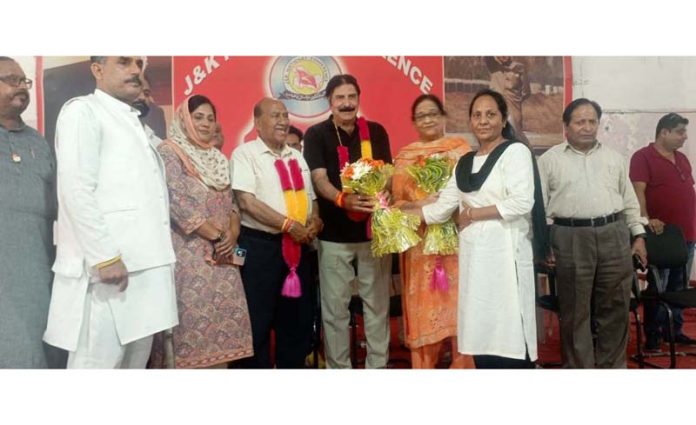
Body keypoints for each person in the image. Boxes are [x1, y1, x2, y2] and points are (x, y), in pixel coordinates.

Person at [43, 56, 178, 368]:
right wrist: (104, 256)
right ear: (97, 70)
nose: (135, 70)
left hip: (144, 270)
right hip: (109, 272)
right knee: (96, 366)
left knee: (133, 366)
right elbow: (76, 189)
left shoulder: (133, 121)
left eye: (138, 64)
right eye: (124, 62)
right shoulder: (83, 111)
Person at [403, 89, 545, 368]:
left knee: (510, 331)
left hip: (506, 255)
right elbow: (440, 209)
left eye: (491, 114)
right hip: (475, 260)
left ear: (504, 120)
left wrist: (472, 213)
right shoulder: (464, 162)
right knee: (481, 330)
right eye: (477, 115)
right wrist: (400, 212)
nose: (483, 121)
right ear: (469, 121)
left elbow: (521, 203)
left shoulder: (515, 152)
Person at [538, 98, 648, 368]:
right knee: (576, 312)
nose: (587, 127)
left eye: (592, 121)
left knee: (615, 308)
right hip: (569, 237)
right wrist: (542, 245)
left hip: (614, 235)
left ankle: (611, 368)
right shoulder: (549, 160)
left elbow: (630, 201)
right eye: (580, 121)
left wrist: (639, 236)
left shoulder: (614, 159)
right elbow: (538, 208)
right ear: (566, 126)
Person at [149, 95, 254, 368]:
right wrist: (217, 236)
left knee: (225, 339)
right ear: (184, 119)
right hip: (190, 258)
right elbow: (177, 202)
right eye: (198, 117)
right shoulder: (169, 152)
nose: (206, 124)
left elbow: (231, 203)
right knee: (190, 336)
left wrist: (231, 233)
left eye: (210, 118)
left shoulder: (217, 157)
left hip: (225, 257)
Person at [303, 74, 393, 368]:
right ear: (329, 101)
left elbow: (388, 175)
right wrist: (342, 199)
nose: (346, 103)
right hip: (334, 237)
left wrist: (383, 195)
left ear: (358, 99)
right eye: (340, 98)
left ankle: (377, 368)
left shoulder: (376, 132)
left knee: (377, 308)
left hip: (373, 236)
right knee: (335, 311)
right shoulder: (317, 134)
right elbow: (318, 179)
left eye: (351, 97)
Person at [231, 97, 322, 368]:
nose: (283, 121)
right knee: (256, 324)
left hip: (298, 250)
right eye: (275, 116)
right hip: (262, 249)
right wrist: (288, 225)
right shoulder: (244, 154)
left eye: (285, 115)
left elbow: (312, 200)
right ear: (258, 123)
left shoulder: (297, 156)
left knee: (296, 324)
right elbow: (246, 201)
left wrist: (315, 221)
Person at [391, 94, 474, 368]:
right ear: (414, 122)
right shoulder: (404, 158)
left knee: (459, 310)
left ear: (443, 117)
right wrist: (420, 204)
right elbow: (396, 204)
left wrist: (448, 203)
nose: (427, 119)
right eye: (421, 116)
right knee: (424, 313)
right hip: (420, 246)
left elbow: (474, 194)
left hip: (457, 243)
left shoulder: (461, 151)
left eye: (432, 114)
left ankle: (462, 366)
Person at [0, 57, 66, 368]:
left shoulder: (39, 143)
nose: (21, 87)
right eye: (11, 80)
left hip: (40, 272)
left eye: (24, 81)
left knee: (42, 354)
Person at [630, 112, 696, 350]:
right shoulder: (643, 157)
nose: (684, 137)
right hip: (661, 237)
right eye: (680, 132)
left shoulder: (682, 159)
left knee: (679, 288)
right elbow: (638, 193)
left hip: (687, 235)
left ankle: (673, 331)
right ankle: (653, 336)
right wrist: (646, 220)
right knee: (658, 287)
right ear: (664, 132)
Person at [485, 56, 530, 145]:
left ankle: (526, 153)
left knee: (516, 132)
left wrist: (516, 98)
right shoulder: (493, 67)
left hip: (513, 105)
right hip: (496, 106)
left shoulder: (519, 68)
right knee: (494, 133)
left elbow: (526, 91)